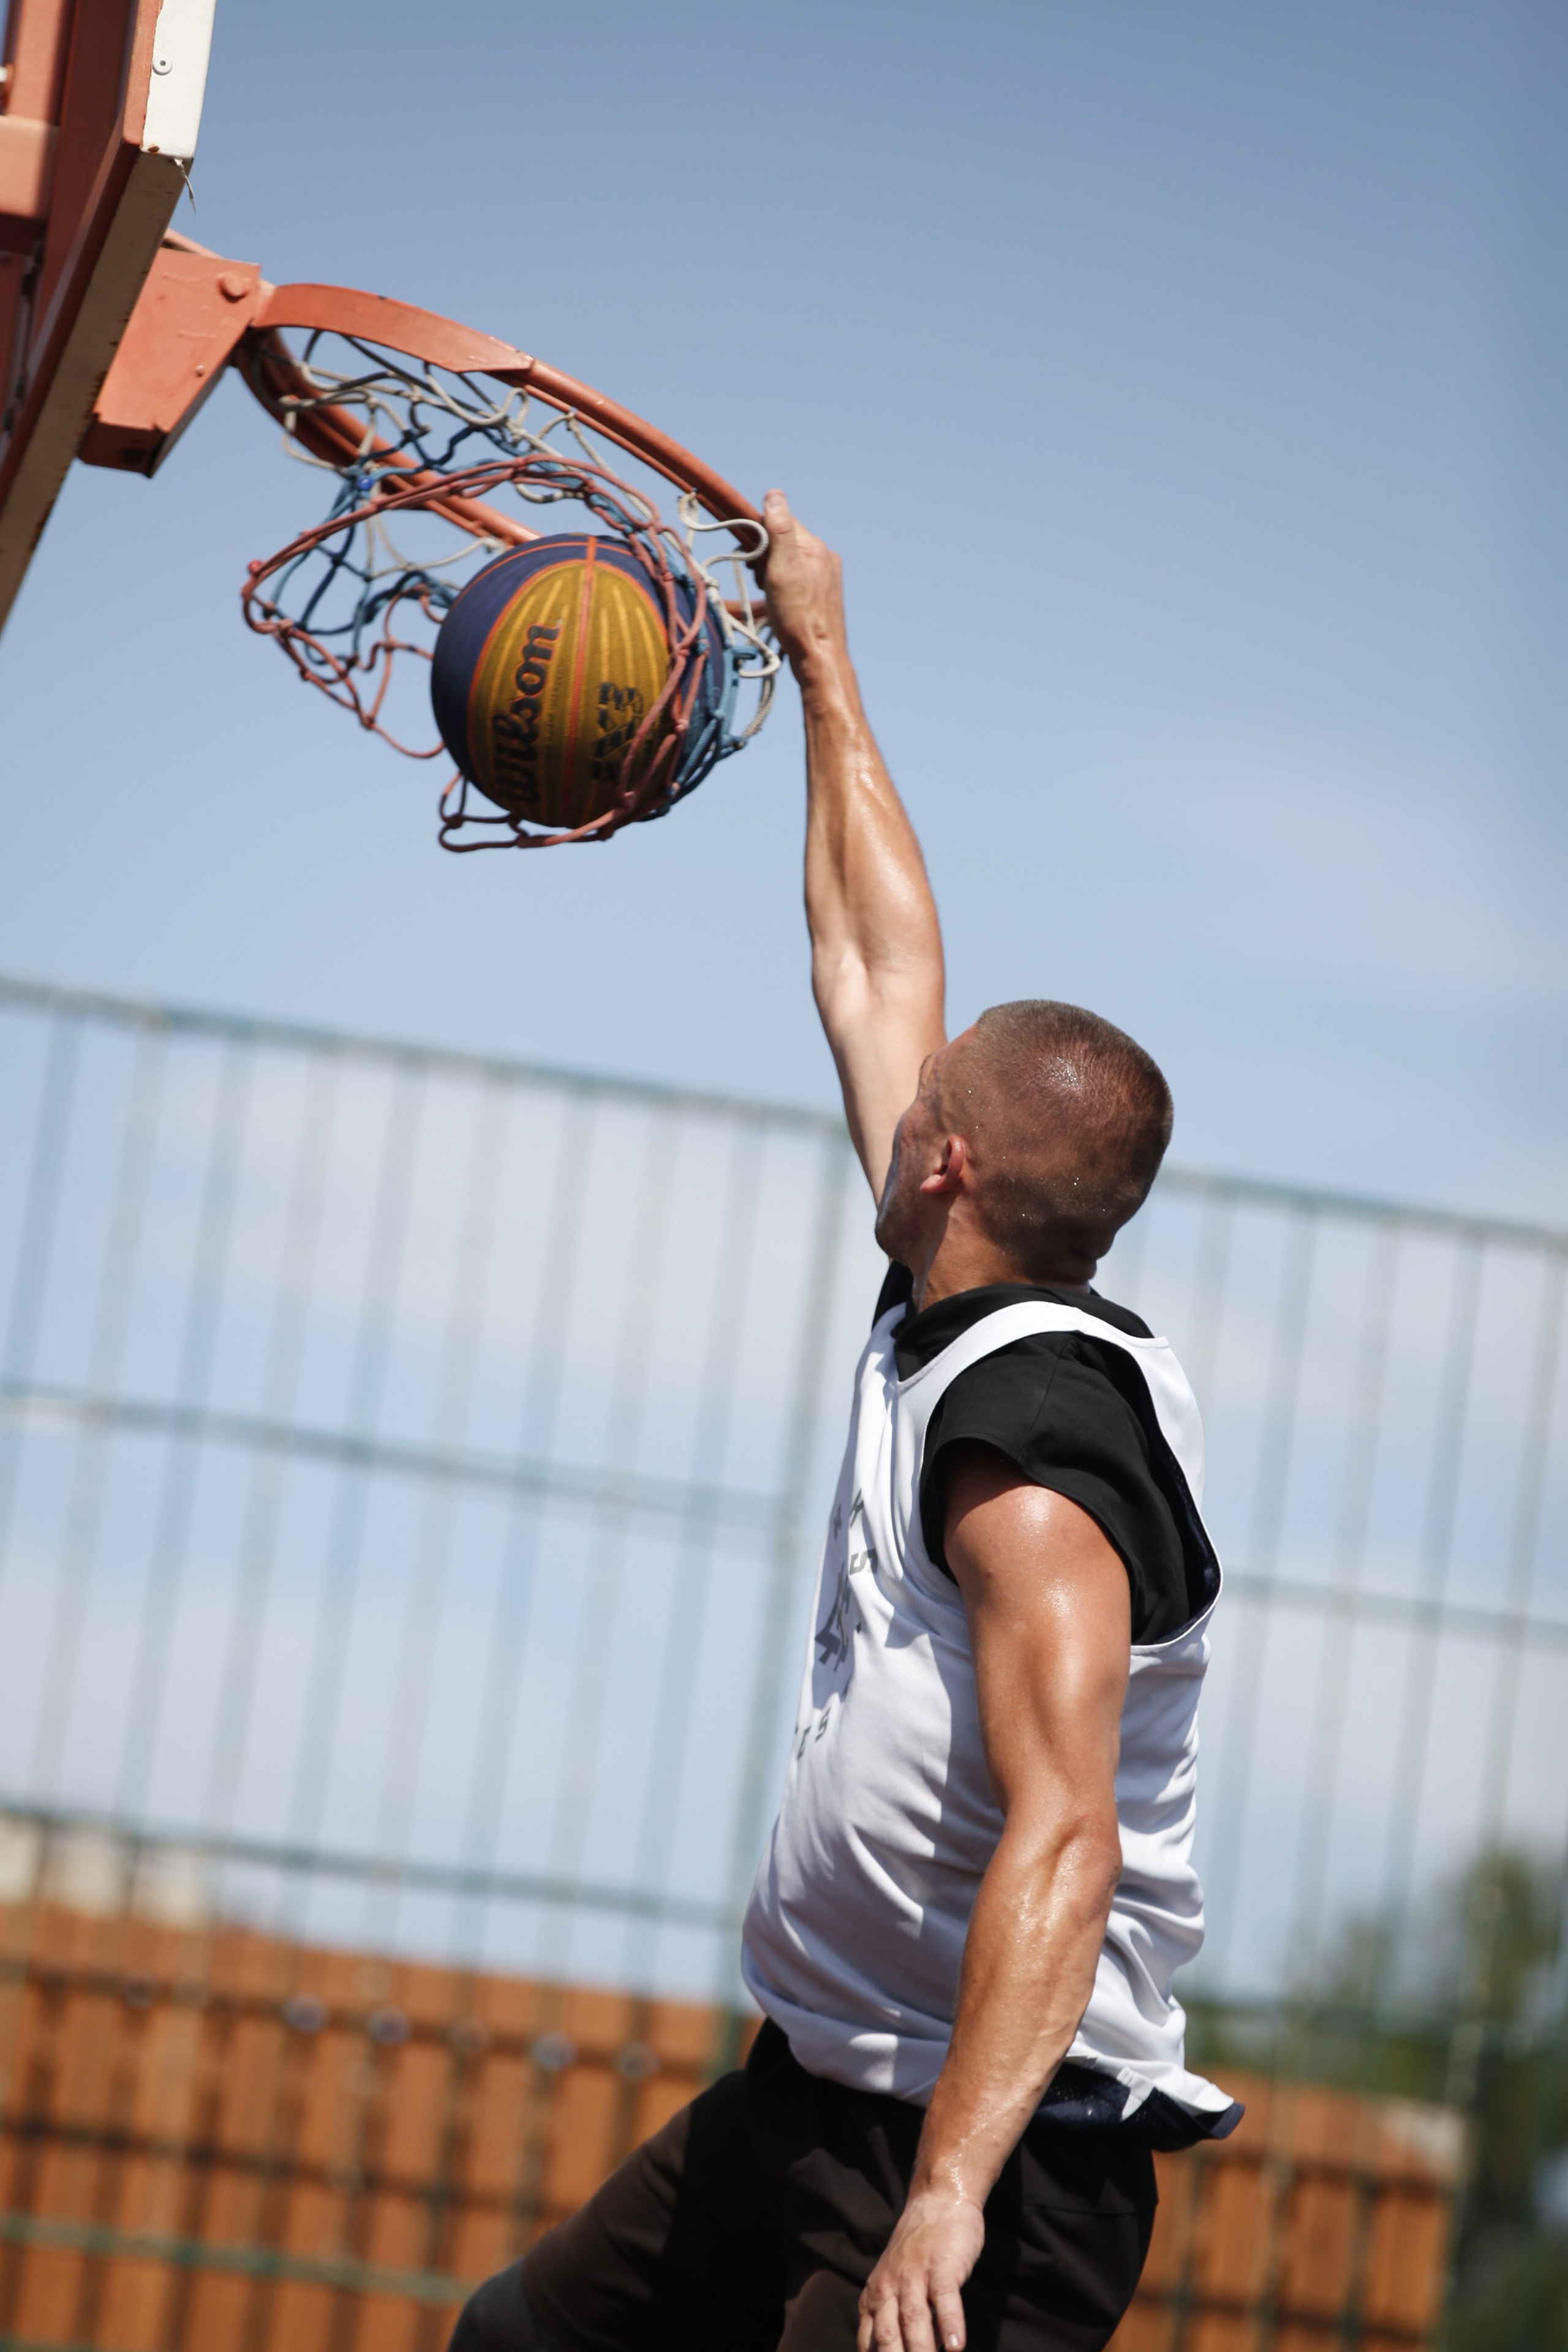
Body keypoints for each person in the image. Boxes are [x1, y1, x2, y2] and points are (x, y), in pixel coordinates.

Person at [451, 495, 1238, 2352]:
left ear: (946, 1157)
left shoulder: (1038, 1461)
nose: (892, 1080)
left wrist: (952, 2199)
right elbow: (876, 964)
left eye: (921, 1100)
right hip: (816, 2093)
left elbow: (1068, 1836)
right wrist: (821, 653)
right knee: (522, 2340)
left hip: (991, 2154)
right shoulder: (950, 1294)